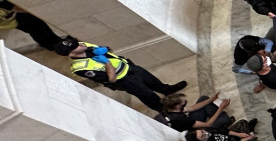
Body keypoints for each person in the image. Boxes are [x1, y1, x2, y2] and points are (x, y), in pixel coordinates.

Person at [55, 37, 186, 111]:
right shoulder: (80, 67)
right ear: (71, 53)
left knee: (153, 81)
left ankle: (167, 90)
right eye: (77, 46)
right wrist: (106, 62)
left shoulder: (85, 45)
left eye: (77, 42)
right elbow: (111, 79)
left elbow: (108, 49)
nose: (81, 44)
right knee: (148, 95)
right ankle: (165, 110)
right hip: (125, 80)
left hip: (130, 67)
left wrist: (104, 49)